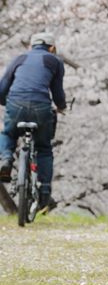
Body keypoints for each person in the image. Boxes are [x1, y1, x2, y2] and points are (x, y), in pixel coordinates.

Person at [0, 32, 67, 211]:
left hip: (15, 103)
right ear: (51, 48)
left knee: (8, 133)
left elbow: (3, 85)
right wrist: (62, 107)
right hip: (41, 107)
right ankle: (44, 190)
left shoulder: (19, 58)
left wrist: (6, 102)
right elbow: (58, 93)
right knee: (43, 148)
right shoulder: (54, 61)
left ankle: (6, 159)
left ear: (31, 46)